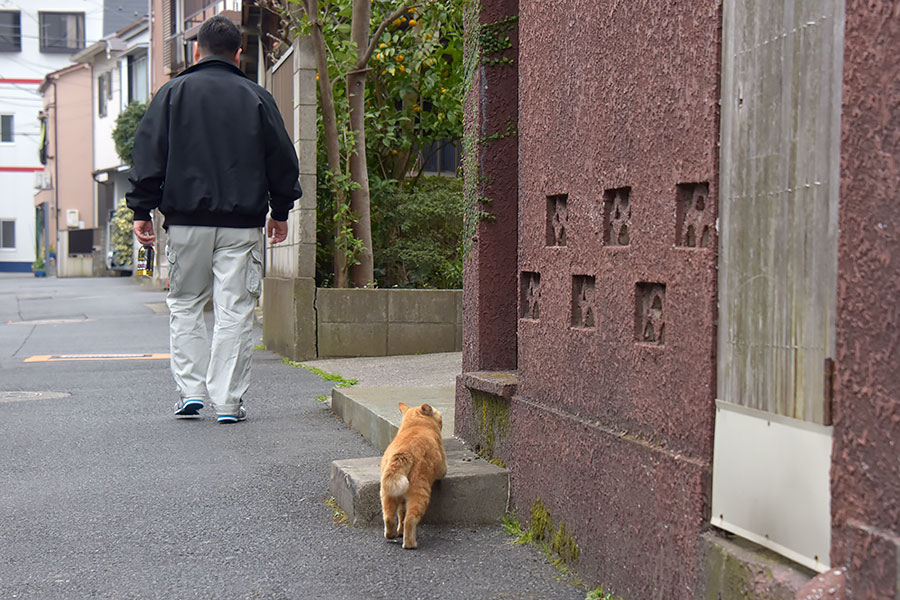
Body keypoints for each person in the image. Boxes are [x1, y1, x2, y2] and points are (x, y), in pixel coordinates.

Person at [126, 15, 301, 424]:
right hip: (242, 225)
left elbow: (148, 155)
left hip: (186, 222)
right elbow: (282, 159)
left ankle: (190, 392)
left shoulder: (172, 94)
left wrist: (141, 210)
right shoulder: (257, 97)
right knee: (235, 310)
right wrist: (280, 212)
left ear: (196, 50)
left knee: (185, 304)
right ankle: (227, 401)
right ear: (239, 55)